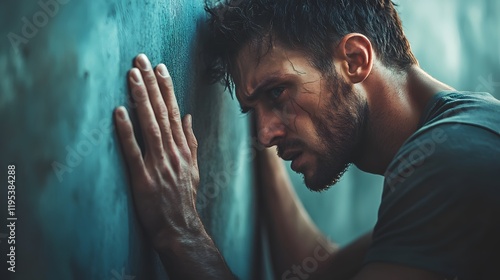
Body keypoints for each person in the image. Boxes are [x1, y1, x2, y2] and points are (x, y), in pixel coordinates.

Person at [113, 0, 500, 279]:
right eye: (253, 111)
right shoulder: (473, 131)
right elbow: (319, 271)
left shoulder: (448, 164)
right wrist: (268, 137)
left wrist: (179, 231)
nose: (265, 134)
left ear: (354, 59)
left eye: (277, 92)